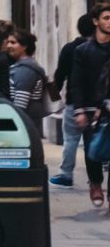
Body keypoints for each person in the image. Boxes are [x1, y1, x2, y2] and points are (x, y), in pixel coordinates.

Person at [62, 3, 110, 206]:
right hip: (89, 107)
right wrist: (79, 109)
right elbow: (76, 81)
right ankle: (96, 183)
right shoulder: (83, 50)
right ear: (96, 21)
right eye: (106, 18)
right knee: (93, 149)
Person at [49, 12, 97, 188]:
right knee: (93, 140)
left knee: (71, 139)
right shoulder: (100, 48)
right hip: (96, 103)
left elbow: (60, 73)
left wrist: (56, 92)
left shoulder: (70, 48)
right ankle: (94, 177)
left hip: (74, 102)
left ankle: (66, 174)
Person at [3, 28, 50, 123]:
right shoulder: (21, 67)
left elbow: (20, 103)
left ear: (24, 46)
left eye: (13, 42)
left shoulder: (25, 70)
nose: (8, 46)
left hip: (26, 121)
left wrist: (12, 122)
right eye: (8, 42)